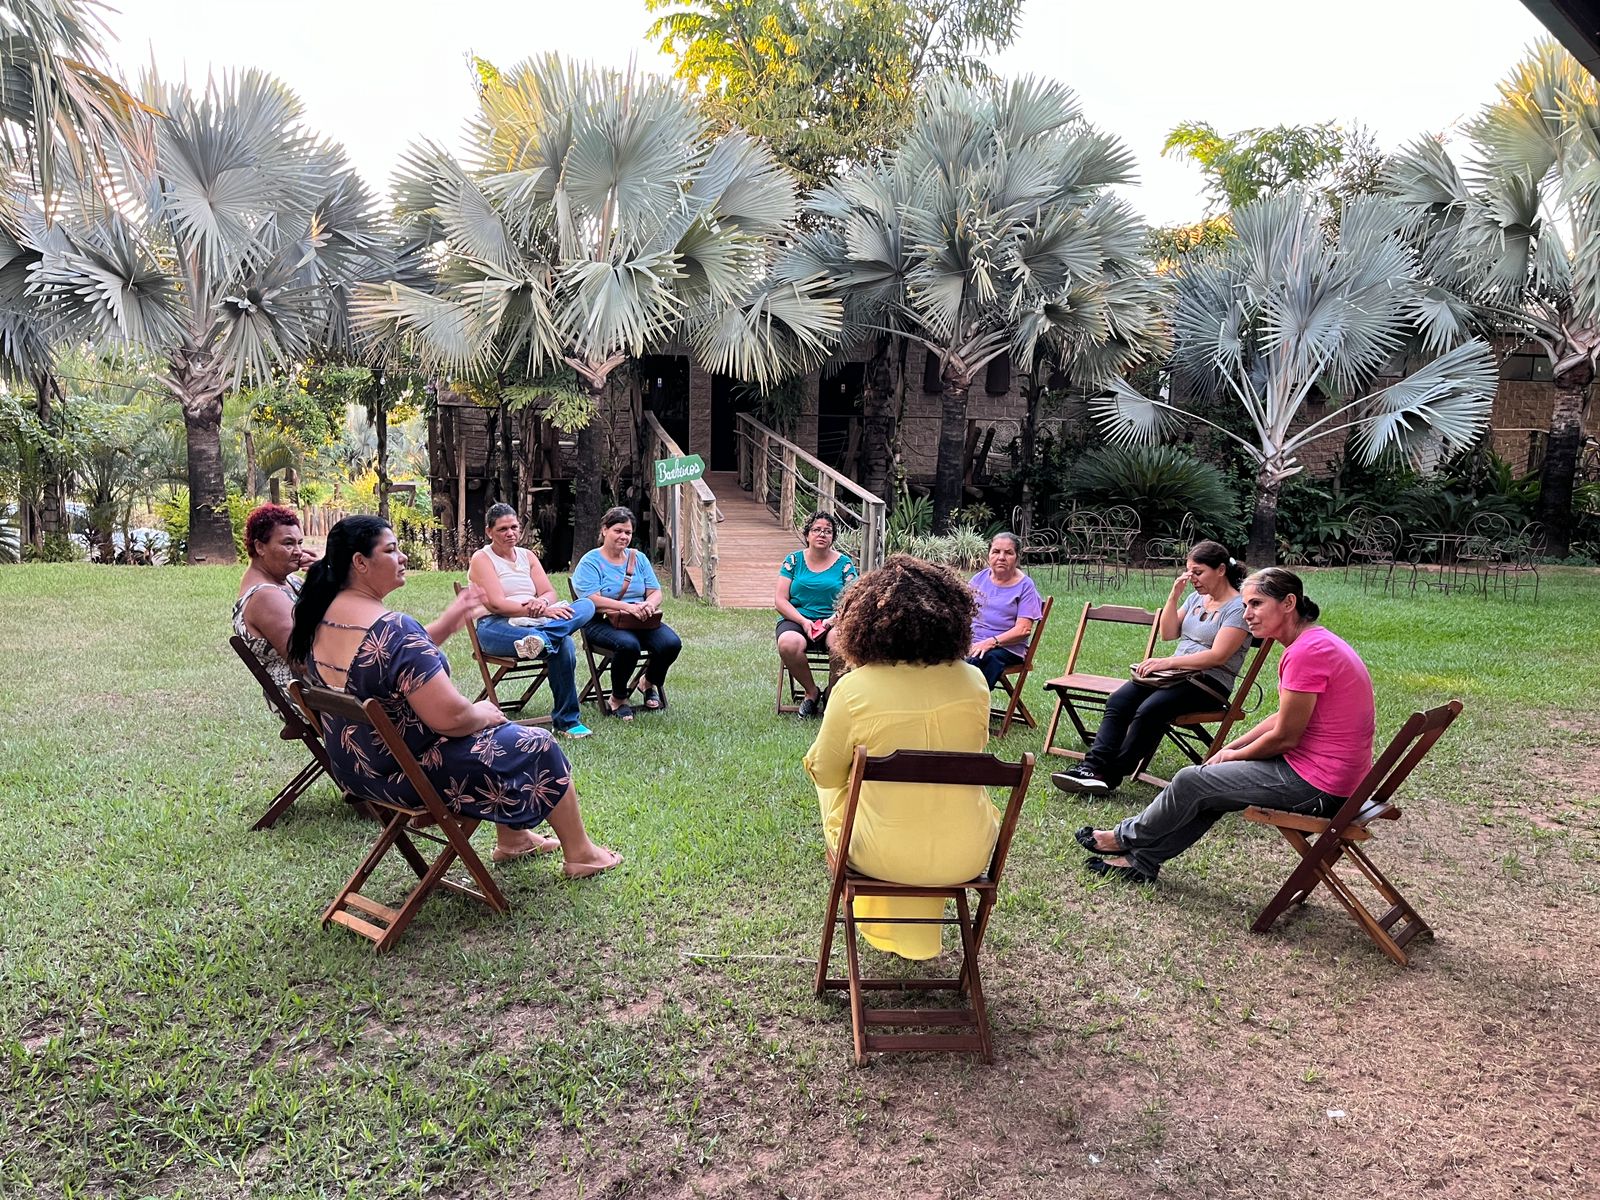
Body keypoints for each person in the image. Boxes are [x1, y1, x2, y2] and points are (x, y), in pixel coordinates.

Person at [287, 515, 621, 875]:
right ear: (360, 562)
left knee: (498, 734)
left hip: (360, 770)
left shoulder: (322, 616)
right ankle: (582, 854)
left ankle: (514, 839)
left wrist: (451, 618)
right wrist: (483, 712)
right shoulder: (394, 629)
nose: (402, 558)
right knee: (536, 743)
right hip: (411, 774)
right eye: (391, 550)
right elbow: (452, 718)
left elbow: (387, 660)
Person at [1075, 568, 1374, 885]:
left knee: (1192, 781)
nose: (1248, 615)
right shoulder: (1315, 642)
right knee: (1211, 785)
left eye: (1256, 604)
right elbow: (1281, 719)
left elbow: (1286, 736)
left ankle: (1125, 838)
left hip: (1318, 785)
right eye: (1245, 606)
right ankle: (1142, 862)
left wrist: (1232, 757)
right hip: (1335, 778)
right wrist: (1230, 749)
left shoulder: (1306, 653)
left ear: (1288, 602)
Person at [803, 555, 997, 960]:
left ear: (865, 622)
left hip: (882, 857)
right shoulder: (975, 682)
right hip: (968, 853)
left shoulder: (855, 688)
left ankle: (880, 919)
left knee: (829, 786)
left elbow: (823, 771)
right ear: (953, 617)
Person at [1053, 540, 1251, 795]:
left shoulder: (1237, 608)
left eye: (1198, 572)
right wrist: (1174, 596)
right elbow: (1168, 633)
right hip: (1175, 677)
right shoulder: (1195, 599)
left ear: (1221, 570)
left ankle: (1108, 775)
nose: (1192, 578)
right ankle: (1092, 767)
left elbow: (1217, 656)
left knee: (1150, 710)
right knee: (1119, 700)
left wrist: (1166, 662)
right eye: (1189, 572)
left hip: (1208, 685)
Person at [468, 503, 596, 739]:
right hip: (496, 626)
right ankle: (567, 721)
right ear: (489, 532)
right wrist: (536, 611)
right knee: (564, 644)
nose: (510, 533)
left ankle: (544, 640)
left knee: (587, 605)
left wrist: (544, 605)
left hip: (536, 624)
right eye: (503, 529)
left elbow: (548, 592)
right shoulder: (482, 558)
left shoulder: (527, 556)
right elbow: (496, 604)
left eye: (514, 527)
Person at [572, 506, 683, 721]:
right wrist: (627, 607)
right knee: (628, 645)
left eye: (628, 533)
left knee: (671, 643)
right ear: (604, 530)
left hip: (639, 619)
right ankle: (618, 698)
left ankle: (647, 682)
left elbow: (655, 591)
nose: (623, 536)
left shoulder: (638, 558)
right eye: (618, 531)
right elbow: (591, 600)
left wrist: (649, 605)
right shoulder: (590, 561)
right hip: (600, 621)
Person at [775, 511, 858, 717]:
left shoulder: (844, 564)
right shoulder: (793, 561)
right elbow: (780, 600)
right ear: (807, 534)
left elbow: (852, 599)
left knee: (841, 645)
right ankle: (811, 692)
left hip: (834, 620)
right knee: (788, 643)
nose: (822, 534)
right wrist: (803, 622)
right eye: (817, 530)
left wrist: (830, 622)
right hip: (797, 618)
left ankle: (832, 693)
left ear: (833, 537)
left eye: (828, 531)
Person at [233, 503, 316, 695]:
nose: (298, 551)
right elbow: (303, 660)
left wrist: (323, 576)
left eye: (299, 543)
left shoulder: (289, 582)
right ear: (260, 547)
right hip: (317, 700)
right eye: (288, 544)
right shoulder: (265, 596)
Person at [965, 531, 1044, 689]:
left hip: (1005, 648)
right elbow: (961, 612)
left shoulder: (1025, 586)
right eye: (996, 551)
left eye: (1008, 553)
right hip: (973, 642)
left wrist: (990, 642)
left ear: (1017, 557)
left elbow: (1023, 630)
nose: (1001, 557)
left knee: (977, 660)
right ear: (989, 555)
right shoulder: (978, 579)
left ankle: (968, 706)